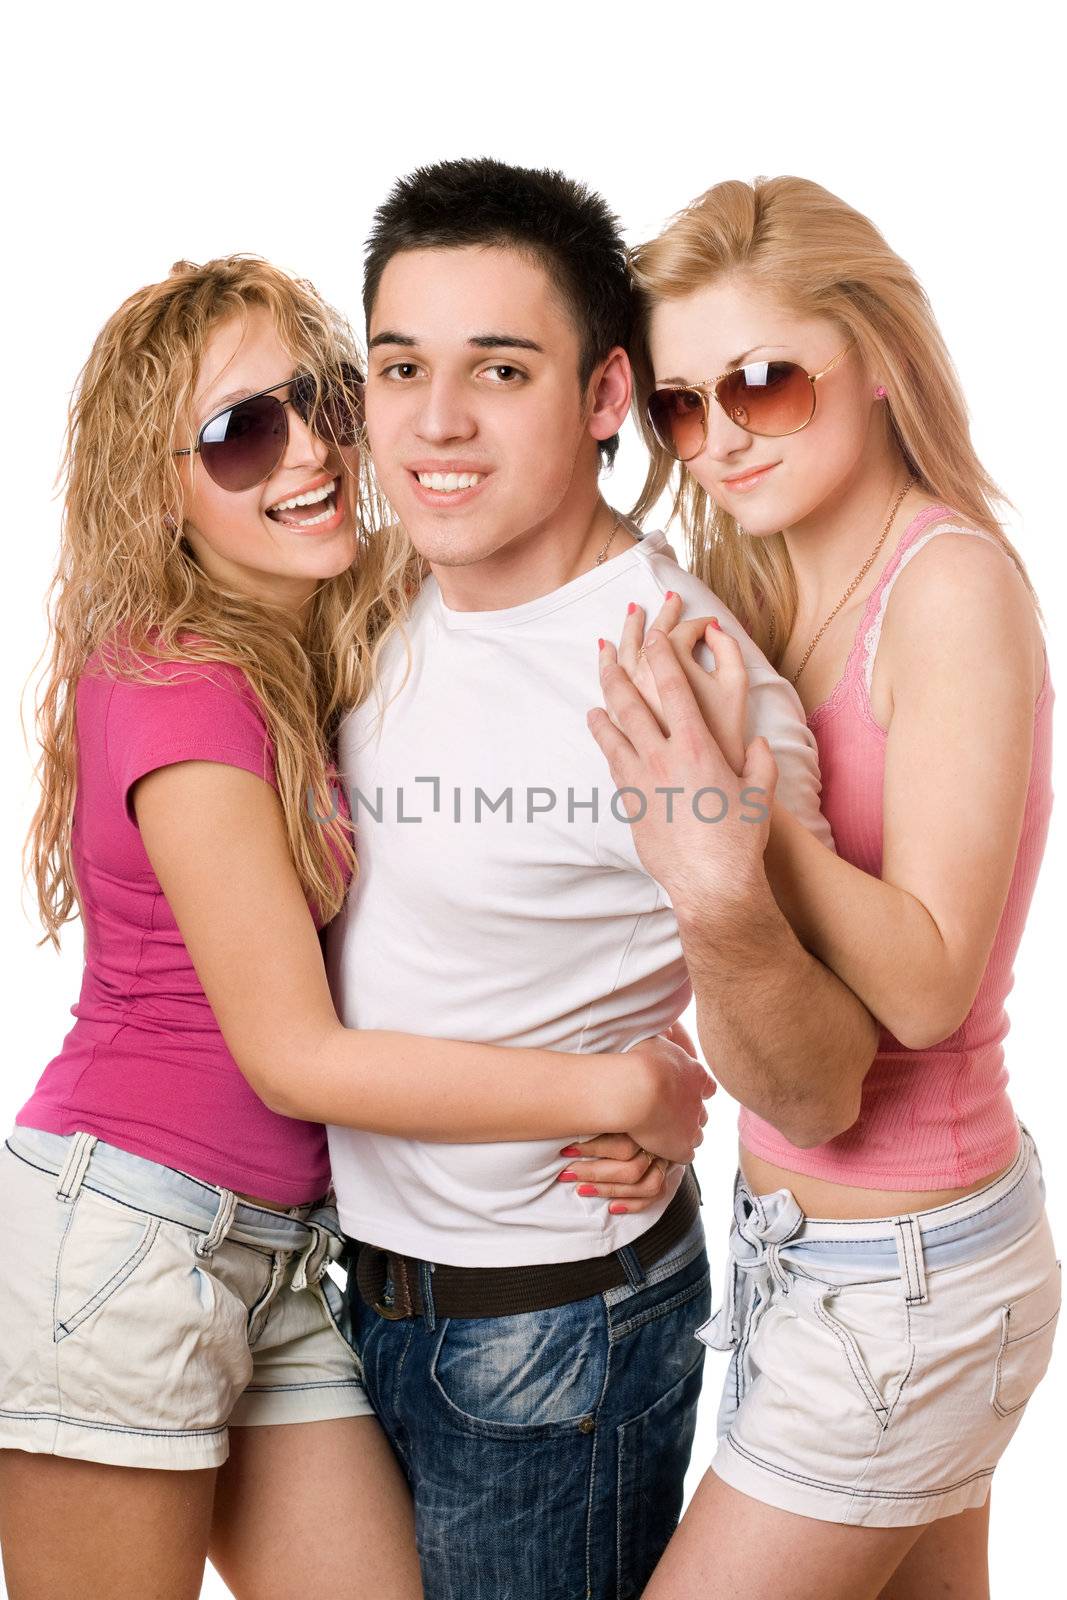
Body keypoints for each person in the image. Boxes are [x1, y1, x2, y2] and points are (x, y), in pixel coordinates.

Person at [0, 254, 715, 1600]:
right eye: (235, 434)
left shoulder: (318, 633)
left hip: (275, 1258)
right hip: (127, 1253)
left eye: (323, 398)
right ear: (156, 489)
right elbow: (297, 1060)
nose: (308, 452)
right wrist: (626, 1084)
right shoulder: (185, 684)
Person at [327, 157, 879, 1600]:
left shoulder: (687, 676)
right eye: (400, 367)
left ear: (604, 398)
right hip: (341, 1303)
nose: (435, 423)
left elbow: (823, 1082)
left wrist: (715, 914)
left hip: (546, 1347)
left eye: (498, 370)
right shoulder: (368, 598)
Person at [592, 174, 1058, 1600]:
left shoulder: (950, 589)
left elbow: (921, 981)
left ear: (875, 367)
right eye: (683, 404)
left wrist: (753, 817)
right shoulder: (771, 578)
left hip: (909, 1276)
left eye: (764, 384)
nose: (720, 437)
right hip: (819, 1252)